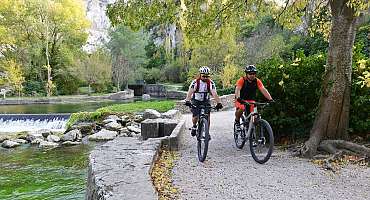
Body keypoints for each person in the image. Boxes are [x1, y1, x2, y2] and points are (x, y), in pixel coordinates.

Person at [185, 66, 223, 136]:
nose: (205, 78)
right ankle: (194, 126)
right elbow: (190, 92)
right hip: (196, 100)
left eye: (207, 76)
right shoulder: (195, 82)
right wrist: (187, 100)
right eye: (203, 76)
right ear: (200, 75)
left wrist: (219, 103)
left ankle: (207, 132)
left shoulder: (211, 83)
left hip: (206, 100)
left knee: (207, 116)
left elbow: (214, 93)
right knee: (195, 115)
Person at [234, 65, 273, 130]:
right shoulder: (242, 80)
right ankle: (237, 120)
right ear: (246, 74)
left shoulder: (257, 81)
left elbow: (263, 89)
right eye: (250, 74)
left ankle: (252, 131)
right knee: (241, 108)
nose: (252, 75)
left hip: (251, 100)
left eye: (254, 73)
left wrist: (270, 99)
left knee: (254, 116)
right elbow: (237, 89)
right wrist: (238, 98)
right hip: (241, 99)